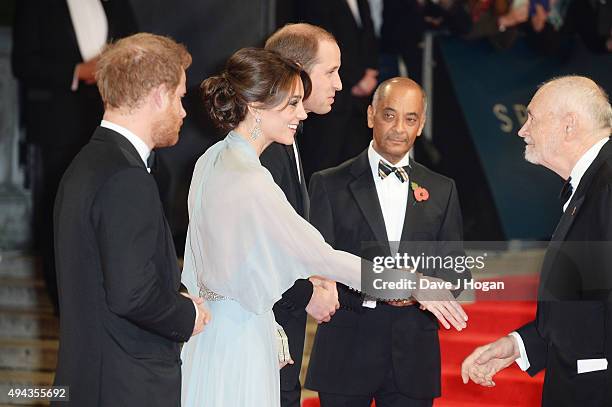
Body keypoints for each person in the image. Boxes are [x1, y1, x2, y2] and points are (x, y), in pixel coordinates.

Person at [180, 48, 467, 407]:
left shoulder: (212, 159)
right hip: (240, 339)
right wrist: (413, 283)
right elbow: (325, 258)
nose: (301, 114)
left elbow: (198, 262)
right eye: (292, 104)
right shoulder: (251, 179)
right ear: (256, 106)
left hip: (210, 333)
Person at [52, 33, 210, 406]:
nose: (184, 112)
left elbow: (111, 277)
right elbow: (132, 295)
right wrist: (186, 314)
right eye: (180, 97)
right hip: (126, 387)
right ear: (158, 94)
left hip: (93, 381)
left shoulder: (87, 163)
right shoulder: (126, 176)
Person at [305, 77, 468, 407]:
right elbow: (316, 265)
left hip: (414, 353)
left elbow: (456, 272)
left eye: (410, 119)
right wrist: (385, 285)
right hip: (347, 347)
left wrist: (425, 290)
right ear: (370, 116)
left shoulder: (442, 188)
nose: (399, 128)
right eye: (389, 115)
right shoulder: (329, 184)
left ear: (421, 125)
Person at [461, 76, 612, 406]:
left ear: (568, 126)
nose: (522, 130)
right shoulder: (592, 183)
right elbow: (586, 304)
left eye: (532, 117)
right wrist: (520, 345)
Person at [11, 0, 138, 313]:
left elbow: (137, 46)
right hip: (57, 125)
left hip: (112, 119)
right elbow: (22, 63)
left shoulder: (117, 4)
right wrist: (76, 72)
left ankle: (109, 292)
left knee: (112, 206)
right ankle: (62, 301)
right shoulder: (37, 6)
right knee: (60, 211)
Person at [261, 23, 343, 407]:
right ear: (296, 70)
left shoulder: (288, 140)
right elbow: (257, 247)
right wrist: (307, 292)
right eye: (330, 72)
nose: (339, 84)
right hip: (262, 335)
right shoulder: (267, 149)